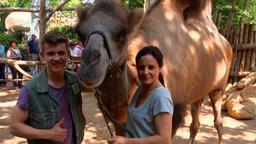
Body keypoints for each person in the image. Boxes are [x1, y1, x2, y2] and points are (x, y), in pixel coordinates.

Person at [9, 31, 85, 144]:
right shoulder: (30, 90)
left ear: (68, 54)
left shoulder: (75, 80)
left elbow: (100, 89)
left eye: (61, 53)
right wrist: (48, 134)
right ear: (42, 55)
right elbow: (14, 126)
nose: (56, 58)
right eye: (51, 53)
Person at [107, 46, 174, 144]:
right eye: (141, 67)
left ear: (160, 68)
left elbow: (164, 140)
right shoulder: (142, 87)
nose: (145, 72)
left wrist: (126, 141)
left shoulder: (161, 97)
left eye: (151, 67)